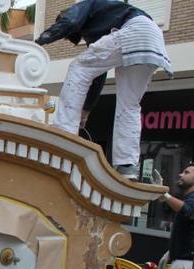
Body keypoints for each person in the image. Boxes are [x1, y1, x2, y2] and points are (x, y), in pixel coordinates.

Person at [36, 0, 173, 180]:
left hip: (133, 31)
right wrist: (86, 110)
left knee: (78, 67)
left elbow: (69, 22)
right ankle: (127, 166)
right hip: (153, 39)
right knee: (130, 105)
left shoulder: (87, 5)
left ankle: (65, 135)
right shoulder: (106, 20)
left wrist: (38, 42)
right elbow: (98, 75)